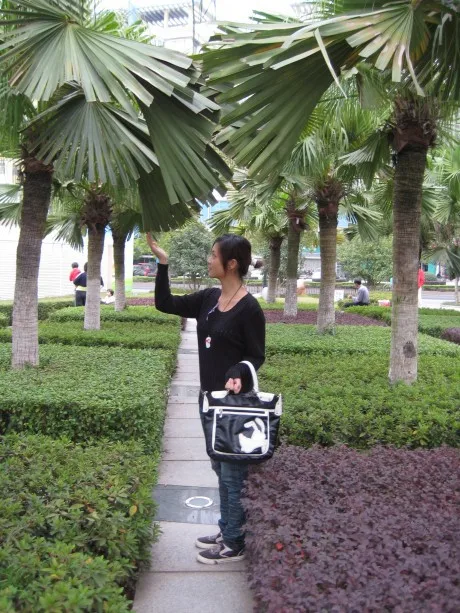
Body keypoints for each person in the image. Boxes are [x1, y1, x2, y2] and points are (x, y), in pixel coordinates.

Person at [148, 232, 265, 565]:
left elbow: (256, 356)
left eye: (214, 255)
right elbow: (165, 303)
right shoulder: (209, 298)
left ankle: (234, 542)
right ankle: (227, 528)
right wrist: (162, 263)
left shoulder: (249, 308)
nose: (209, 260)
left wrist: (239, 372)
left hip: (234, 405)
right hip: (208, 400)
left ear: (231, 263)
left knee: (232, 473)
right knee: (218, 466)